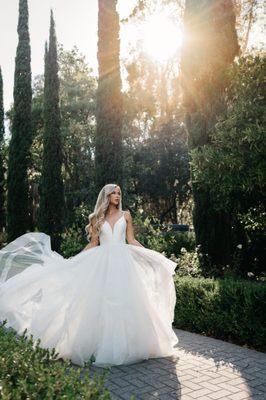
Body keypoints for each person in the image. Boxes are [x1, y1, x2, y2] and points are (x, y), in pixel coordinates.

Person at [0, 183, 178, 367]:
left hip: (123, 263)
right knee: (101, 301)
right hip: (102, 263)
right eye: (114, 193)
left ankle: (129, 345)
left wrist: (152, 256)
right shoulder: (96, 218)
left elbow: (131, 240)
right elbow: (94, 244)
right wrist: (74, 260)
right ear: (106, 196)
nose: (117, 196)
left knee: (127, 300)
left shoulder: (126, 215)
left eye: (119, 193)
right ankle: (100, 346)